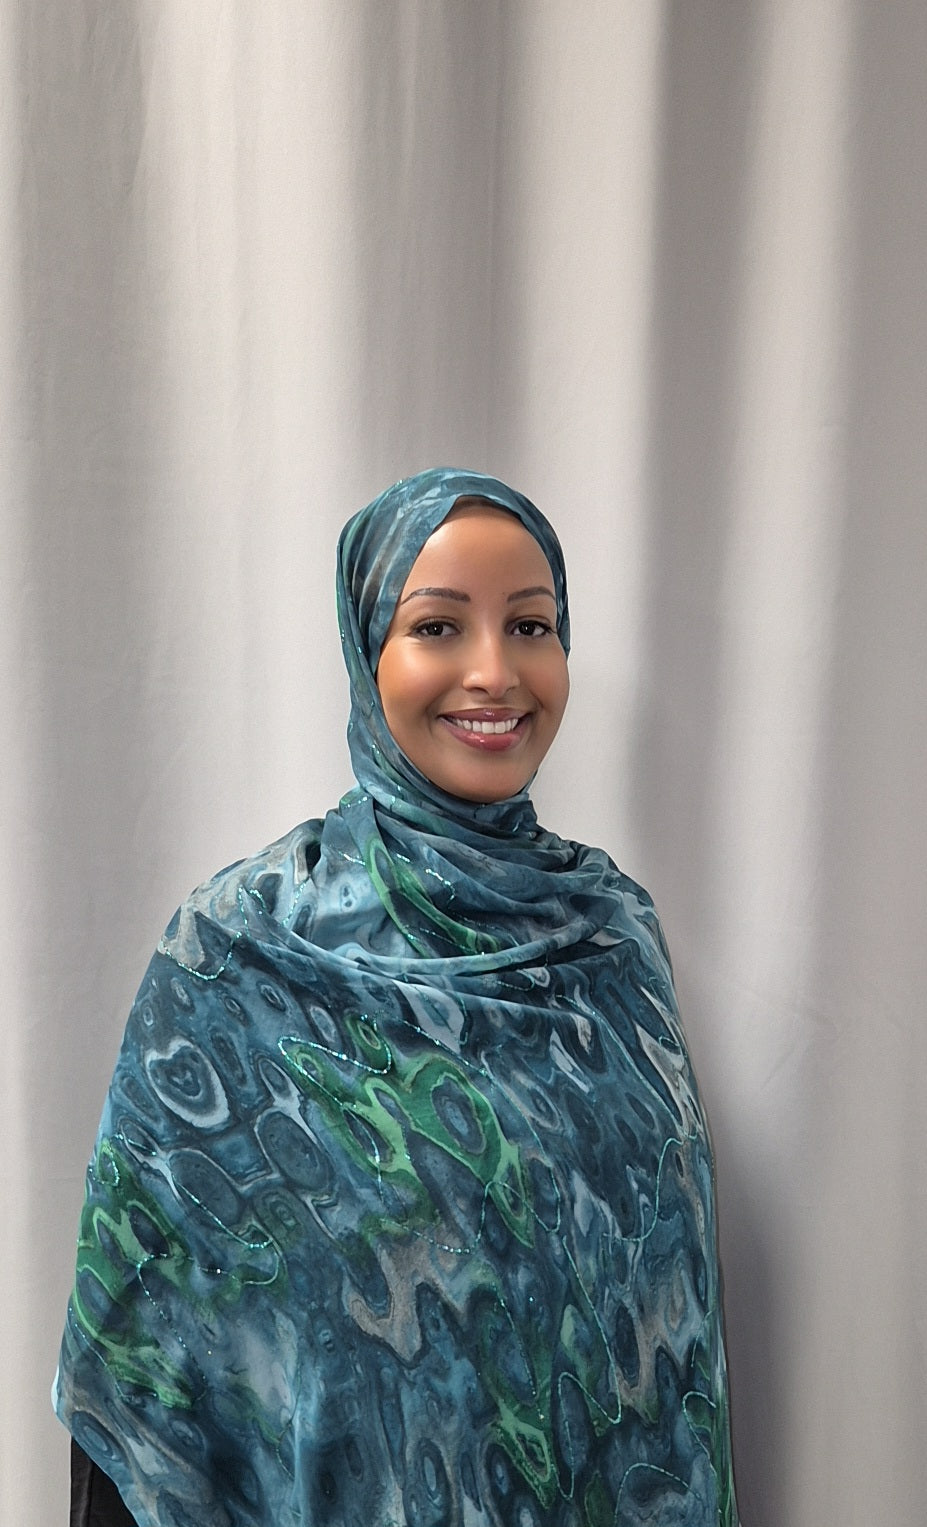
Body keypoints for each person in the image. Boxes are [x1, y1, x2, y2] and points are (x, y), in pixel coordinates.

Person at [55, 469, 740, 1526]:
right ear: (367, 649)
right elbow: (151, 1372)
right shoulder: (237, 955)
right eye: (437, 627)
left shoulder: (613, 940)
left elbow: (669, 1353)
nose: (494, 672)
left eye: (530, 625)